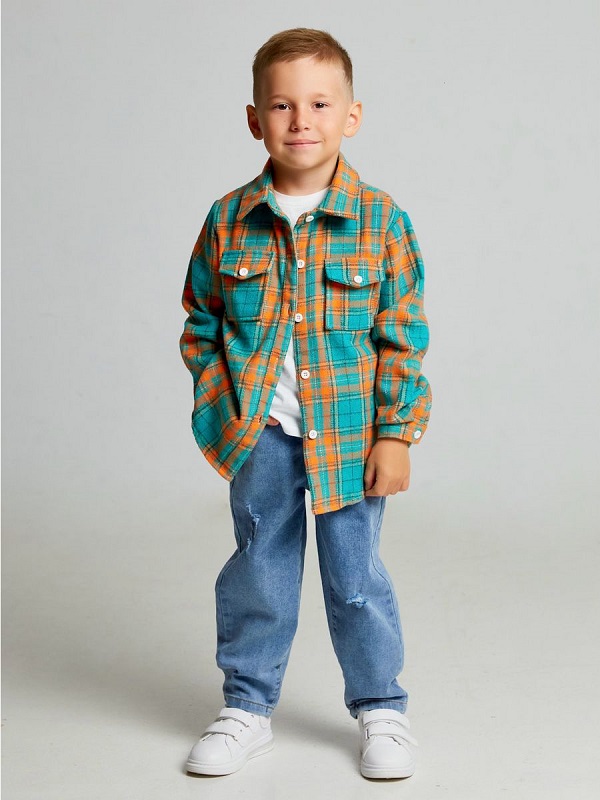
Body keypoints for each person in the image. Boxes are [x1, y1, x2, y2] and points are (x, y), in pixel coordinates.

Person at [178, 27, 431, 780]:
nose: (301, 120)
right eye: (282, 105)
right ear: (254, 119)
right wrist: (227, 417)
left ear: (351, 116)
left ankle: (382, 709)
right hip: (263, 432)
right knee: (260, 571)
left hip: (351, 436)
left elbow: (402, 336)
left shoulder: (381, 221)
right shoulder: (228, 219)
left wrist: (397, 434)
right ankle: (246, 708)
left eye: (320, 104)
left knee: (356, 579)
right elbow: (201, 324)